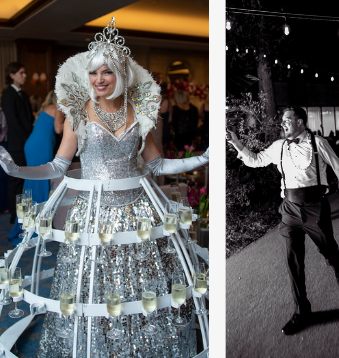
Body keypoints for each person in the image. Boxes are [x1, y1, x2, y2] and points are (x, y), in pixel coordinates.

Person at [0, 18, 209, 357]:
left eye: (107, 72)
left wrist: (203, 158)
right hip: (93, 215)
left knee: (141, 288)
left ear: (120, 75)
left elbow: (157, 164)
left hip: (137, 213)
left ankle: (141, 346)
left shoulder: (139, 111)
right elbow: (57, 166)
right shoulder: (77, 113)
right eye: (94, 72)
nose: (99, 79)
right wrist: (17, 169)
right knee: (93, 290)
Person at [227, 106, 339, 336]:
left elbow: (337, 168)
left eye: (287, 120)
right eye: (283, 121)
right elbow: (256, 160)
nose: (283, 124)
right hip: (289, 209)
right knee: (293, 260)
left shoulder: (319, 144)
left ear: (300, 121)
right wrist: (237, 143)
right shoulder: (279, 146)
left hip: (316, 206)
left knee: (328, 247)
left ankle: (336, 266)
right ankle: (302, 311)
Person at [7, 90, 64, 247]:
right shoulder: (58, 107)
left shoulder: (46, 108)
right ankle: (40, 225)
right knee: (41, 179)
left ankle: (31, 224)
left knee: (33, 182)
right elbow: (59, 129)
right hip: (41, 146)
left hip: (32, 145)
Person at [2, 62, 33, 225]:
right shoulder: (8, 95)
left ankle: (25, 211)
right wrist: (28, 139)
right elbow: (13, 122)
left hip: (27, 143)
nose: (25, 76)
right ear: (12, 75)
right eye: (21, 73)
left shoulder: (24, 95)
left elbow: (29, 120)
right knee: (16, 180)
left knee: (27, 178)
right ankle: (15, 215)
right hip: (17, 145)